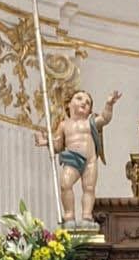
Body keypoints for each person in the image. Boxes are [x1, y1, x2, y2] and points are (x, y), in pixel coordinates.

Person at [36, 87, 120, 224]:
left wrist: (109, 104)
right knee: (65, 184)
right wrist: (46, 142)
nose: (84, 103)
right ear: (68, 104)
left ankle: (86, 216)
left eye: (88, 102)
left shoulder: (90, 122)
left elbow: (105, 118)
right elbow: (57, 145)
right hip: (72, 159)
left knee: (89, 188)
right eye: (79, 98)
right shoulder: (63, 125)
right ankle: (69, 215)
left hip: (90, 161)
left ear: (90, 110)